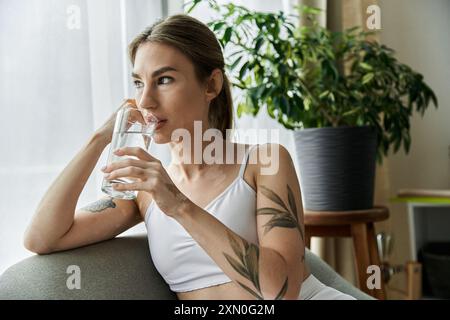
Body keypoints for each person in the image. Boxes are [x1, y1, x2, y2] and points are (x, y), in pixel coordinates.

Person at [23, 14, 355, 300]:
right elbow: (41, 238)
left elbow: (281, 290)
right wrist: (99, 139)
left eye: (164, 80)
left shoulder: (264, 162)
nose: (146, 100)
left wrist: (179, 205)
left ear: (211, 85)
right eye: (139, 83)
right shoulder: (142, 193)